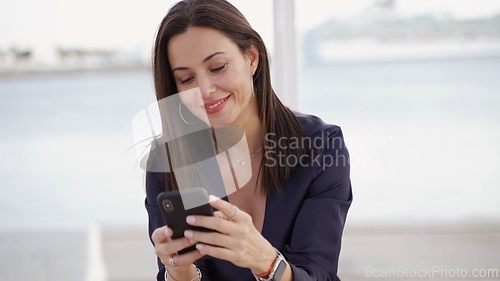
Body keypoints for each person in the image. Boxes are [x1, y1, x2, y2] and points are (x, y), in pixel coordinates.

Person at [144, 0, 352, 280]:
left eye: (217, 67)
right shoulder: (168, 161)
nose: (204, 90)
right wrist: (179, 270)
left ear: (252, 58)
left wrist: (265, 261)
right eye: (186, 78)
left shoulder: (320, 147)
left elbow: (318, 273)